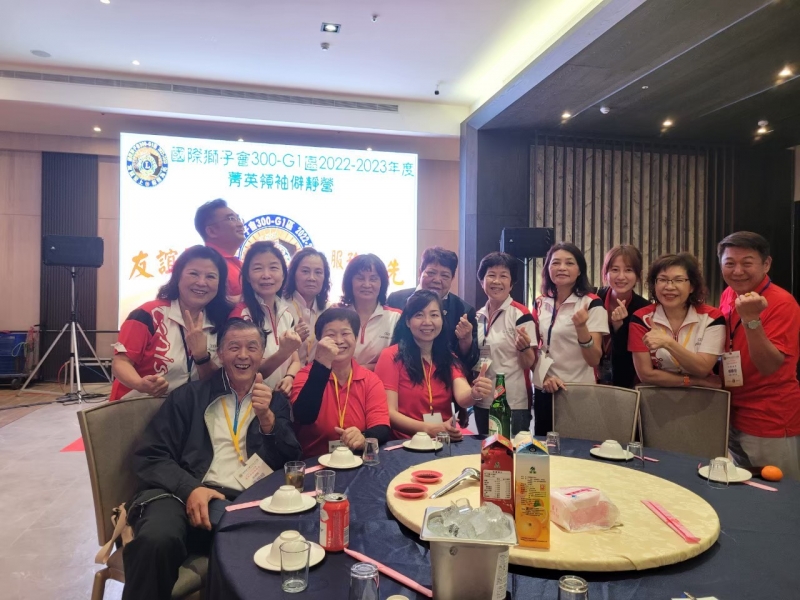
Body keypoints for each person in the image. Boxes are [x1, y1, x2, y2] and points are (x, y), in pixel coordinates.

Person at [121, 318, 302, 600]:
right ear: (220, 354)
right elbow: (151, 455)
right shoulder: (189, 397)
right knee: (156, 540)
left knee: (261, 542)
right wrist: (191, 488)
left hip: (238, 502)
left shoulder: (275, 402)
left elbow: (290, 461)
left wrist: (268, 420)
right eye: (234, 347)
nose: (243, 355)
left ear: (261, 355)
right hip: (177, 493)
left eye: (252, 347)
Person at [717, 232, 800, 480]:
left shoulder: (782, 303)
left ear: (766, 264)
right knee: (746, 490)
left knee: (777, 491)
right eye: (730, 263)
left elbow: (769, 366)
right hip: (733, 412)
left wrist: (751, 319)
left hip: (769, 418)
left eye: (747, 263)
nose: (737, 271)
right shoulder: (729, 294)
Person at [110, 246, 230, 401]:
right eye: (193, 274)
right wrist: (140, 384)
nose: (201, 282)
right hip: (136, 405)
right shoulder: (147, 314)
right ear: (178, 276)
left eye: (211, 276)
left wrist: (201, 356)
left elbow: (212, 381)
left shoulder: (221, 323)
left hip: (185, 411)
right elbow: (121, 362)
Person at [375, 290, 493, 440]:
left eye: (434, 315)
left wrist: (475, 393)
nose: (427, 322)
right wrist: (428, 429)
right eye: (419, 315)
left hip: (443, 440)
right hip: (405, 442)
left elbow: (463, 397)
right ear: (407, 322)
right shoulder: (391, 356)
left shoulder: (448, 356)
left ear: (442, 320)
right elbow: (389, 412)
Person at [291, 308, 391, 458]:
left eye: (345, 333)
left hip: (357, 460)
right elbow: (304, 416)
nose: (338, 340)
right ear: (320, 341)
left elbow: (382, 427)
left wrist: (363, 436)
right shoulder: (306, 375)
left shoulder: (370, 379)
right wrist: (322, 364)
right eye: (330, 335)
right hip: (316, 462)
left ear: (355, 337)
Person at [533, 242, 609, 436]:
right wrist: (545, 377)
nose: (562, 268)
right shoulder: (540, 302)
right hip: (546, 389)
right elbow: (539, 348)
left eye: (569, 263)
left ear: (579, 270)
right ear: (548, 268)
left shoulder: (592, 303)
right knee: (544, 447)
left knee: (576, 449)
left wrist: (581, 328)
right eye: (555, 263)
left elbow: (594, 359)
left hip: (577, 391)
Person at [628, 253, 725, 388]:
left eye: (678, 280)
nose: (669, 287)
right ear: (654, 285)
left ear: (692, 286)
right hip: (656, 392)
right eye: (662, 279)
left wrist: (668, 343)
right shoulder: (641, 318)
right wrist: (695, 381)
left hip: (702, 395)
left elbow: (702, 368)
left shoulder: (712, 318)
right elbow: (646, 374)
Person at [473, 252, 538, 436]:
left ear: (511, 283)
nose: (496, 281)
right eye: (491, 275)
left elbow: (529, 363)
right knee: (486, 450)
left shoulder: (521, 315)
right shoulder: (477, 317)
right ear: (482, 281)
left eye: (503, 276)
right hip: (482, 400)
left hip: (513, 403)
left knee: (512, 450)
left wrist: (524, 348)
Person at [230, 241, 305, 394]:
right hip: (251, 399)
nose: (266, 275)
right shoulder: (241, 315)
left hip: (281, 400)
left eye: (273, 268)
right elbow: (245, 370)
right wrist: (282, 353)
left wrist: (290, 377)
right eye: (258, 268)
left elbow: (295, 360)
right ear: (248, 276)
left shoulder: (286, 313)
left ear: (283, 274)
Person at [596, 245, 651, 388]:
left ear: (638, 276)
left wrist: (619, 328)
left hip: (625, 385)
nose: (621, 276)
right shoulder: (594, 299)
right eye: (614, 270)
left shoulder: (644, 309)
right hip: (589, 380)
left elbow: (631, 358)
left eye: (628, 270)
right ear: (606, 273)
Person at [338, 253, 402, 370]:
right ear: (350, 282)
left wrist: (360, 370)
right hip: (339, 379)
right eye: (360, 278)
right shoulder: (336, 315)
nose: (367, 285)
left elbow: (399, 360)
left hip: (380, 380)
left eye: (373, 279)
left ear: (382, 283)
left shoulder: (396, 317)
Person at [284, 247, 331, 365]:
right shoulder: (280, 306)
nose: (312, 278)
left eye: (318, 272)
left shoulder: (328, 310)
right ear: (293, 274)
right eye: (305, 271)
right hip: (285, 374)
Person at [194, 199, 245, 298]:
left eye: (238, 218)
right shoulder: (204, 264)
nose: (240, 224)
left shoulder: (237, 263)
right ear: (211, 231)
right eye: (231, 219)